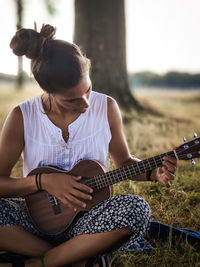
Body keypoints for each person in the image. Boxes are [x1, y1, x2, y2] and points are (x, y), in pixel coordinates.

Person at [0, 24, 177, 267]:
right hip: (36, 222)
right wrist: (42, 182)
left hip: (90, 222)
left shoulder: (107, 107)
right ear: (46, 90)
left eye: (88, 90)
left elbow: (124, 162)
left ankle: (40, 262)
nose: (85, 103)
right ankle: (76, 258)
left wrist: (153, 173)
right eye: (72, 99)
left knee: (137, 209)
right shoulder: (22, 116)